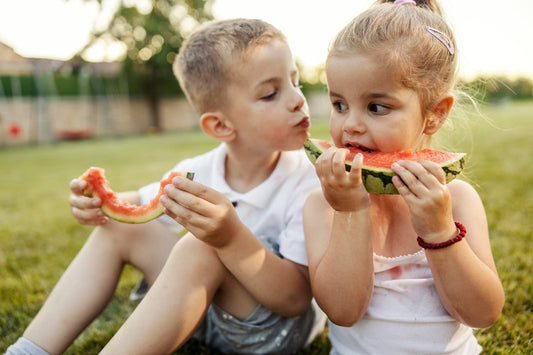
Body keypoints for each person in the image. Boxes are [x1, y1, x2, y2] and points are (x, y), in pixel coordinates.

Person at [6, 18, 325, 355]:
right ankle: (28, 351)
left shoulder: (310, 181)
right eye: (271, 93)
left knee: (199, 247)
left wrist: (231, 239)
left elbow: (295, 299)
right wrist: (97, 202)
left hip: (272, 333)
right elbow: (142, 202)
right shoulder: (197, 171)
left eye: (295, 82)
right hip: (205, 316)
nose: (297, 100)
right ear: (220, 125)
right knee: (119, 227)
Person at [303, 0, 505, 354]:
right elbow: (343, 312)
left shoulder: (457, 200)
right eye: (339, 105)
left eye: (376, 107)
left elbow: (482, 312)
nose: (350, 123)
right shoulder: (323, 205)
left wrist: (440, 231)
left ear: (434, 114)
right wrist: (350, 213)